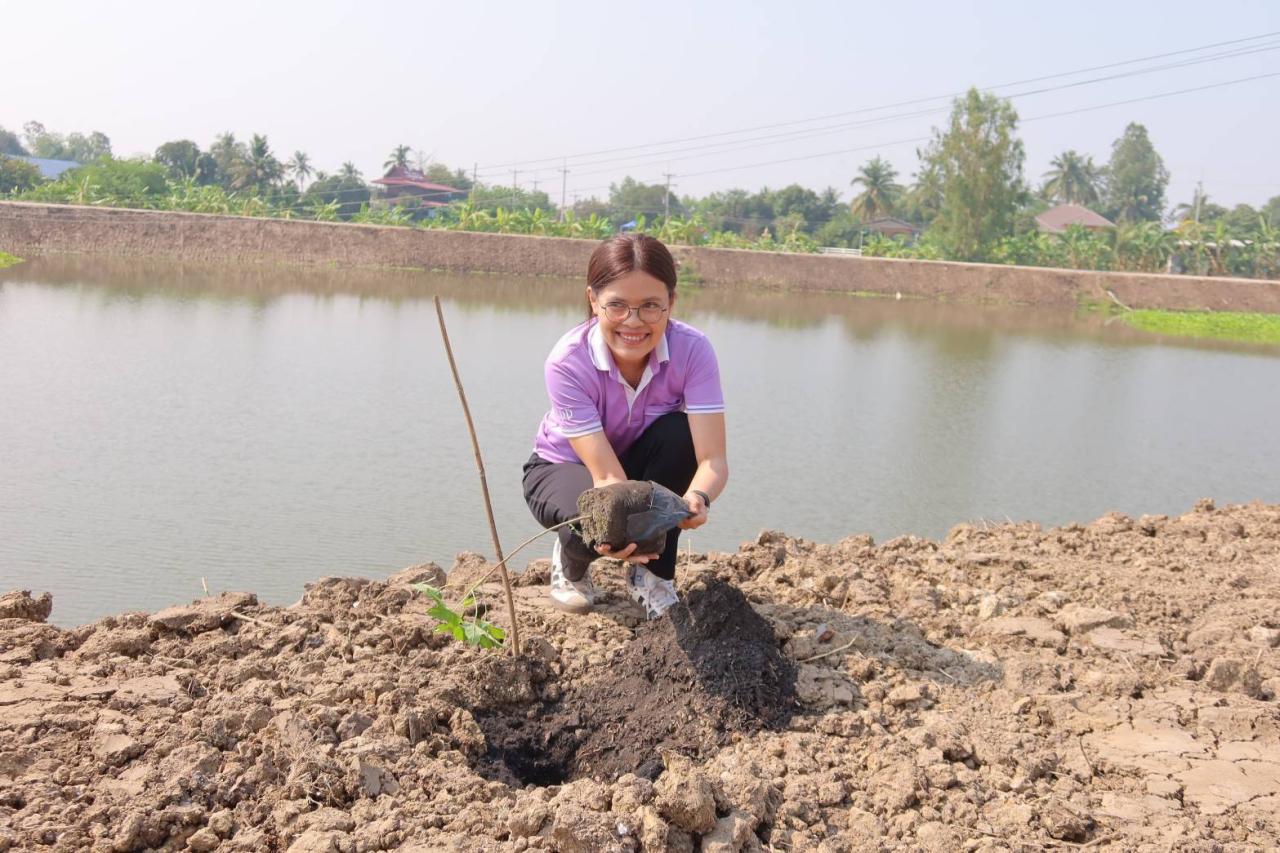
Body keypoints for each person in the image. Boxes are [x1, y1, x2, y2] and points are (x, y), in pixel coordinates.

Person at [523, 234, 728, 619]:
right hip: (566, 469)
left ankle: (652, 576)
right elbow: (607, 478)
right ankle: (571, 564)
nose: (633, 322)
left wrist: (698, 497)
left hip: (637, 461)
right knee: (593, 522)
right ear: (593, 300)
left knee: (679, 433)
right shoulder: (568, 361)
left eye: (650, 306)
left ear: (671, 302)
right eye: (617, 305)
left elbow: (712, 459)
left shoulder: (693, 350)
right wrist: (617, 531)